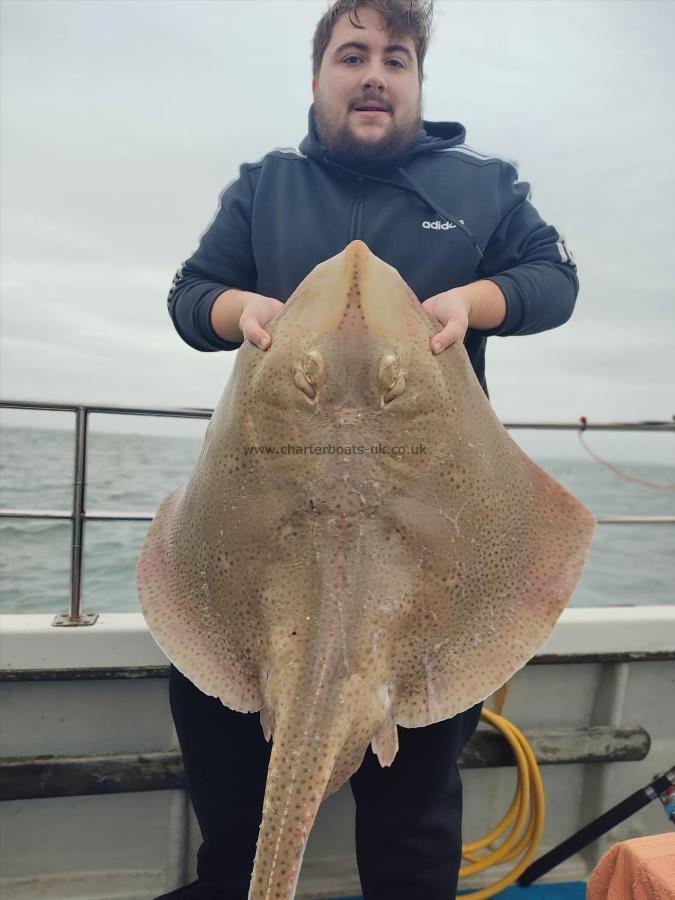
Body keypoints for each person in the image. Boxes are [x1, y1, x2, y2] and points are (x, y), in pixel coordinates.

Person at [158, 1, 578, 898]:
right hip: (274, 518)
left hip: (427, 532)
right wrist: (244, 312)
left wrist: (475, 304)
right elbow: (191, 297)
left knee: (414, 835)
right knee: (232, 821)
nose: (375, 73)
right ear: (318, 79)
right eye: (353, 55)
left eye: (396, 57)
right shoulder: (266, 186)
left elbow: (554, 280)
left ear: (418, 83)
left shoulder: (482, 185)